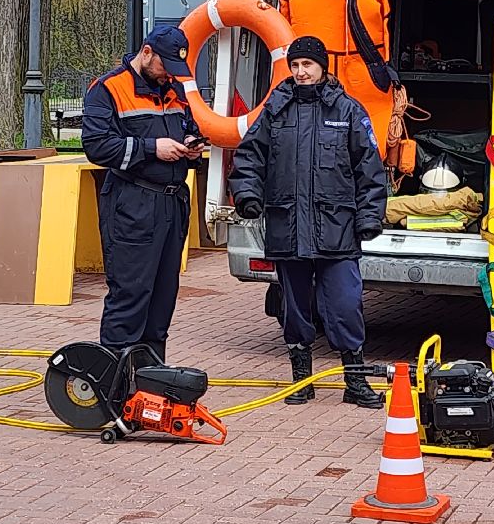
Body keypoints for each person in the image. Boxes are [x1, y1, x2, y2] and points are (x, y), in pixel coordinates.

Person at [229, 36, 388, 407]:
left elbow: (370, 169)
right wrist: (248, 196)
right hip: (288, 227)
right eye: (295, 65)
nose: (300, 72)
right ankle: (301, 379)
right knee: (295, 309)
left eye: (308, 65)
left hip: (337, 229)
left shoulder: (348, 110)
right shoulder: (275, 110)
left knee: (346, 305)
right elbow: (249, 156)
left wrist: (368, 217)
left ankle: (356, 381)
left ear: (322, 68)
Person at [82, 25, 204, 361]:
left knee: (163, 298)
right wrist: (152, 149)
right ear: (146, 52)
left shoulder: (175, 89)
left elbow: (189, 127)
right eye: (165, 65)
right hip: (133, 203)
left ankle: (151, 381)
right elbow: (97, 146)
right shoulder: (108, 89)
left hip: (172, 202)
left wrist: (191, 146)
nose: (169, 75)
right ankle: (117, 386)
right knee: (131, 295)